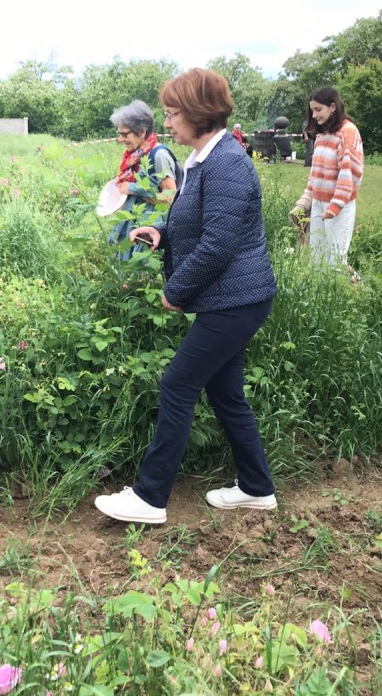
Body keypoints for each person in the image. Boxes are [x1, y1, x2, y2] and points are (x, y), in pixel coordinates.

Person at [95, 68, 278, 525]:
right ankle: (257, 489)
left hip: (236, 300)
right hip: (229, 301)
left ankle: (150, 498)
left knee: (178, 385)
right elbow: (189, 219)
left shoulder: (229, 163)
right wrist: (159, 231)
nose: (168, 122)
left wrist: (175, 292)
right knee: (225, 392)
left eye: (174, 113)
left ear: (198, 114)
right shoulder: (203, 158)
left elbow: (218, 244)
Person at [290, 88, 363, 266]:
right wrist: (303, 202)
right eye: (312, 110)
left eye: (318, 110)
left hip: (339, 207)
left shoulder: (348, 131)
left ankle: (357, 292)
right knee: (317, 260)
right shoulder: (322, 134)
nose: (314, 115)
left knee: (335, 263)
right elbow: (315, 176)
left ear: (332, 107)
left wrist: (335, 206)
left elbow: (350, 173)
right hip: (318, 205)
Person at [108, 100, 179, 260]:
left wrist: (134, 189)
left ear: (141, 132)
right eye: (119, 134)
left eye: (125, 134)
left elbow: (171, 199)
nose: (121, 139)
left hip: (150, 231)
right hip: (134, 225)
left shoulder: (159, 155)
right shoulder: (135, 156)